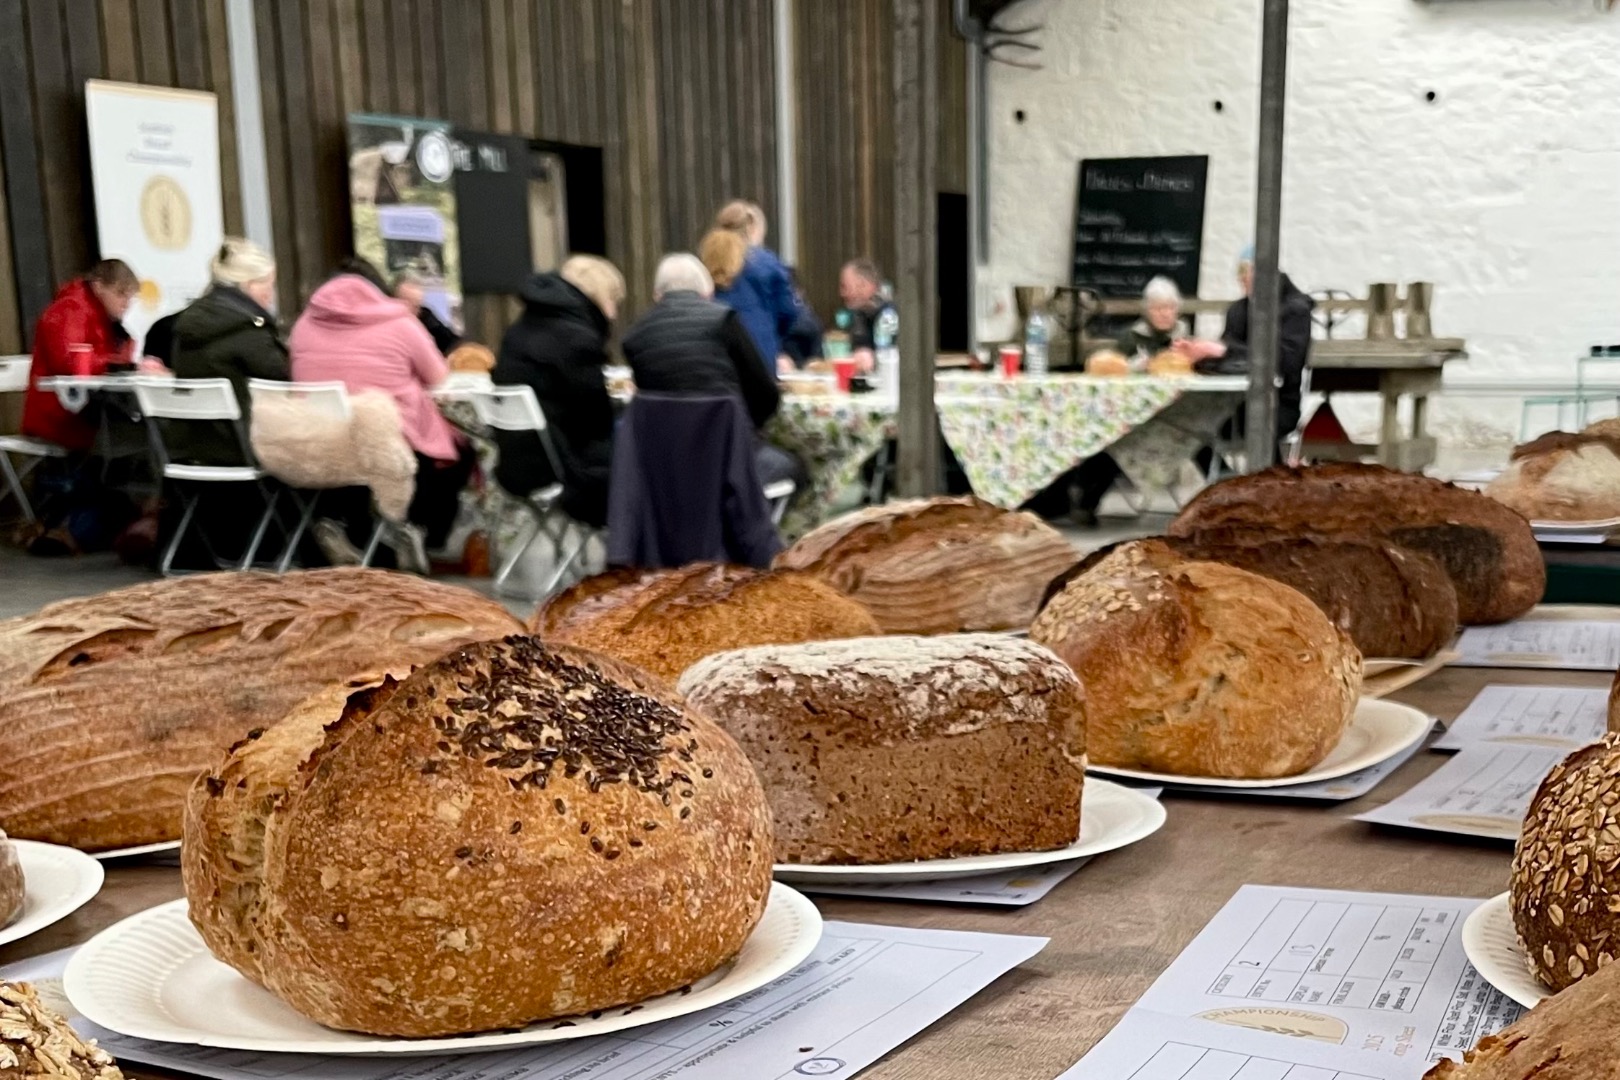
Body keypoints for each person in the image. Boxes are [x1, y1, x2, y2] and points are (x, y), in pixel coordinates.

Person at [288, 257, 471, 571]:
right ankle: (413, 527)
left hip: (320, 444)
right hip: (392, 444)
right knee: (456, 450)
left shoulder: (304, 324)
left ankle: (341, 526)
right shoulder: (400, 322)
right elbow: (439, 378)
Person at [620, 254, 805, 492]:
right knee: (797, 468)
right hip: (727, 463)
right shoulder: (723, 321)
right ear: (707, 293)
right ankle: (753, 528)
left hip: (662, 471)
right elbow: (765, 395)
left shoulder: (634, 338)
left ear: (657, 296)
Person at [492, 254, 625, 529]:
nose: (614, 312)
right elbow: (596, 421)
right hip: (562, 468)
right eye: (613, 300)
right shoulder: (577, 339)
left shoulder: (520, 329)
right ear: (598, 297)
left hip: (515, 463)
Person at [1178, 247, 1316, 445]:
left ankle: (1246, 474)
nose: (1243, 278)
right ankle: (1222, 474)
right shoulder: (1237, 311)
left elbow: (1286, 363)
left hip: (1276, 405)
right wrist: (1200, 356)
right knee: (1183, 422)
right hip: (1230, 403)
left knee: (1237, 425)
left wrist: (1223, 351)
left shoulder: (1296, 311)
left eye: (1250, 271)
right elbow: (1225, 361)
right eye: (1241, 272)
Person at [168, 238, 288, 466]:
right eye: (269, 285)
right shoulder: (248, 331)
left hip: (193, 449)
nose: (271, 296)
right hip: (244, 449)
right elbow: (289, 379)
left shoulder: (186, 327)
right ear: (250, 285)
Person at [22, 259, 148, 452]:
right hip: (60, 412)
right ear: (98, 286)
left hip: (81, 408)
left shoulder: (104, 318)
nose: (126, 304)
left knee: (140, 429)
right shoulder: (69, 311)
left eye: (130, 297)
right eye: (120, 294)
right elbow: (69, 364)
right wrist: (118, 363)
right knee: (142, 433)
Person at [711, 200, 799, 377]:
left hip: (718, 357)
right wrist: (772, 332)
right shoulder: (767, 262)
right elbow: (789, 311)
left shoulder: (708, 261)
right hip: (760, 354)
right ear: (752, 230)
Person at [837, 258, 894, 374]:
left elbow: (892, 356)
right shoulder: (858, 315)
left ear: (865, 286)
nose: (842, 293)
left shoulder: (890, 314)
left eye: (845, 287)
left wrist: (873, 358)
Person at [1117, 276, 1190, 363]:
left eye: (1170, 308)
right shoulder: (1131, 337)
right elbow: (1116, 369)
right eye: (1157, 308)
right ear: (1147, 311)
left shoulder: (1186, 337)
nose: (1164, 314)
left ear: (1178, 310)